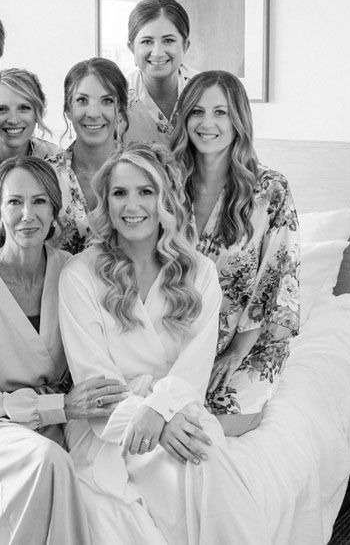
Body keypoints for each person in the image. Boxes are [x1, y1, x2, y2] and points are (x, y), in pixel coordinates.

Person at [60, 144, 260, 544]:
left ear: (165, 199)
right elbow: (95, 379)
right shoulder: (79, 275)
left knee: (210, 470)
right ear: (106, 202)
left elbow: (194, 367)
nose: (132, 205)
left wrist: (163, 412)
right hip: (110, 423)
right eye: (119, 193)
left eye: (145, 192)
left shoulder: (199, 272)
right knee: (171, 475)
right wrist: (148, 419)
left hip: (180, 409)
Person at [0, 156, 127, 544]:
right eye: (14, 202)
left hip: (57, 418)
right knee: (48, 459)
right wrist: (59, 407)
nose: (27, 215)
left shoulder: (73, 271)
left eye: (39, 202)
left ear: (55, 209)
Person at [171, 70, 300, 436]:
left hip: (246, 341)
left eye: (220, 112)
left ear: (239, 120)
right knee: (160, 415)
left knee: (209, 425)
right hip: (176, 336)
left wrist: (236, 352)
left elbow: (278, 280)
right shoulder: (167, 183)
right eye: (196, 111)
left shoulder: (269, 190)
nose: (207, 123)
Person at [46, 57, 128, 254]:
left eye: (107, 101)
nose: (93, 113)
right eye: (82, 100)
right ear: (67, 109)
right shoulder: (46, 176)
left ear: (120, 109)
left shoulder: (143, 171)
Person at [122, 0, 199, 147]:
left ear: (185, 46)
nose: (157, 52)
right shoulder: (119, 97)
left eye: (168, 40)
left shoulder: (204, 90)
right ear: (132, 48)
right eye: (147, 41)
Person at [0, 67, 62, 186]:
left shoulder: (58, 162)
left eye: (24, 108)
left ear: (38, 112)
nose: (13, 120)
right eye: (1, 110)